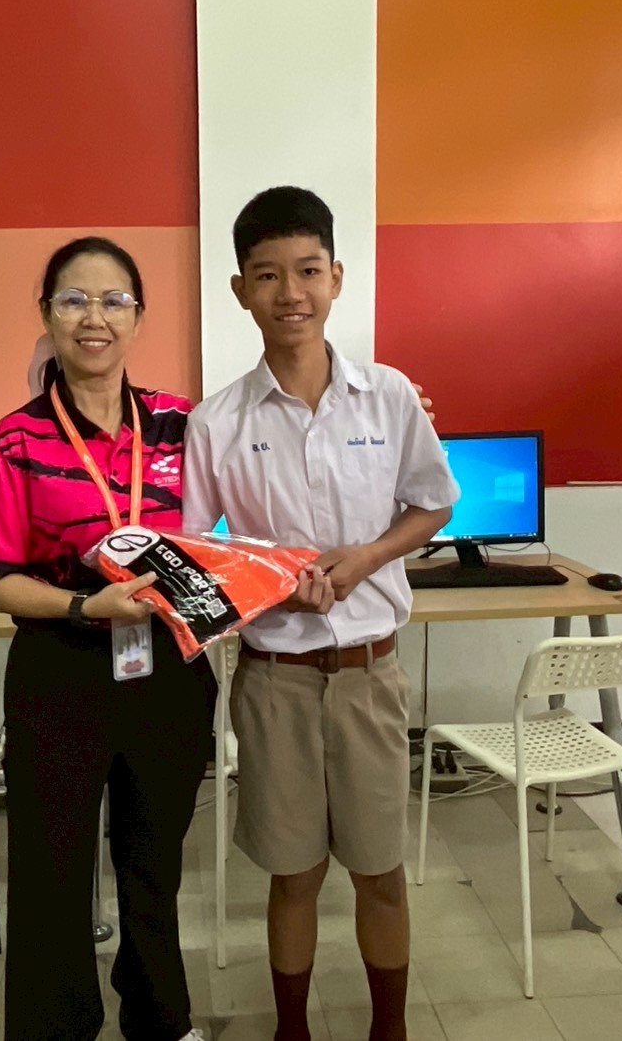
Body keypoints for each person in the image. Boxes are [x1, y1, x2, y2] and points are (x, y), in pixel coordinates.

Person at [181, 187, 460, 1041]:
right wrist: (266, 585)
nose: (290, 293)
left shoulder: (389, 397)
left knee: (380, 872)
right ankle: (291, 1031)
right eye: (267, 275)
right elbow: (196, 556)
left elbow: (433, 503)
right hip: (275, 683)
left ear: (336, 278)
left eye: (307, 271)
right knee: (293, 875)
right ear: (240, 290)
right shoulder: (215, 422)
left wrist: (367, 557)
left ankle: (389, 1030)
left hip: (369, 677)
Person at [0, 237, 216, 1041]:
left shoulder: (183, 424)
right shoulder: (17, 439)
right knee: (53, 869)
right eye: (73, 300)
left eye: (113, 301)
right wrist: (82, 607)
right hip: (60, 671)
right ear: (46, 315)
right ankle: (54, 1026)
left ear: (138, 317)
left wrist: (383, 411)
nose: (93, 318)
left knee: (152, 865)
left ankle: (158, 1020)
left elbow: (271, 454)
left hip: (167, 671)